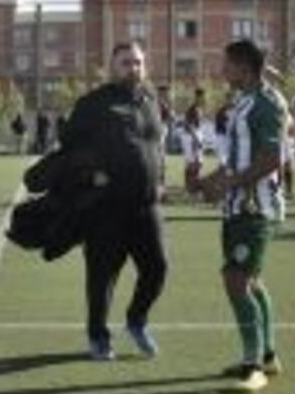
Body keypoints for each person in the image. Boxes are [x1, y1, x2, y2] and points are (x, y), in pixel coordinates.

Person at [60, 42, 167, 361]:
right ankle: (98, 336)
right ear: (112, 66)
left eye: (138, 63)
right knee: (103, 277)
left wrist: (159, 180)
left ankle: (136, 321)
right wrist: (92, 174)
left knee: (157, 268)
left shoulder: (150, 101)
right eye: (125, 63)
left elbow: (155, 145)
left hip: (146, 207)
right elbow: (68, 147)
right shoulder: (93, 104)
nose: (133, 69)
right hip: (106, 208)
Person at [198, 39, 287, 393]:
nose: (222, 70)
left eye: (227, 63)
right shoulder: (242, 102)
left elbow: (271, 160)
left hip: (257, 209)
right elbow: (236, 159)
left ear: (244, 67)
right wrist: (210, 182)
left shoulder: (267, 104)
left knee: (235, 279)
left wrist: (229, 182)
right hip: (238, 207)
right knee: (250, 281)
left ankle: (253, 366)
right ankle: (267, 356)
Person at [181, 88, 207, 201]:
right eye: (200, 96)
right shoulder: (192, 109)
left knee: (198, 164)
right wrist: (195, 138)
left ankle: (193, 189)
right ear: (197, 97)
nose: (202, 98)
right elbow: (188, 125)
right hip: (191, 137)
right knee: (193, 164)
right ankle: (190, 189)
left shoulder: (199, 108)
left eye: (203, 96)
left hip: (196, 135)